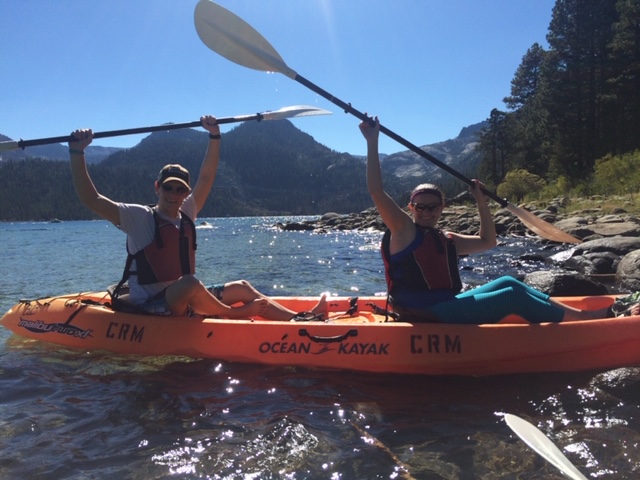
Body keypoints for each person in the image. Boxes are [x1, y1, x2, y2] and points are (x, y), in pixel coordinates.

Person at [69, 115, 326, 320]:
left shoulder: (187, 211)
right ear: (157, 188)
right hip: (149, 306)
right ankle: (234, 314)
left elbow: (207, 176)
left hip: (184, 297)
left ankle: (300, 319)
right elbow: (92, 199)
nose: (174, 194)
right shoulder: (138, 217)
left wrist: (214, 135)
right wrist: (77, 152)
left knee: (242, 286)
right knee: (190, 283)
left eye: (180, 189)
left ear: (186, 192)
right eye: (168, 188)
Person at [359, 116, 609, 324]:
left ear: (442, 207)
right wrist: (373, 141)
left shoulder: (445, 239)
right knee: (511, 297)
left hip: (445, 304)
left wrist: (481, 202)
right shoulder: (404, 231)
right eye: (420, 207)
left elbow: (488, 241)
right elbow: (376, 191)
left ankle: (575, 315)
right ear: (411, 208)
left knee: (509, 282)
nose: (426, 212)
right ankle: (584, 320)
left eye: (433, 206)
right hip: (423, 311)